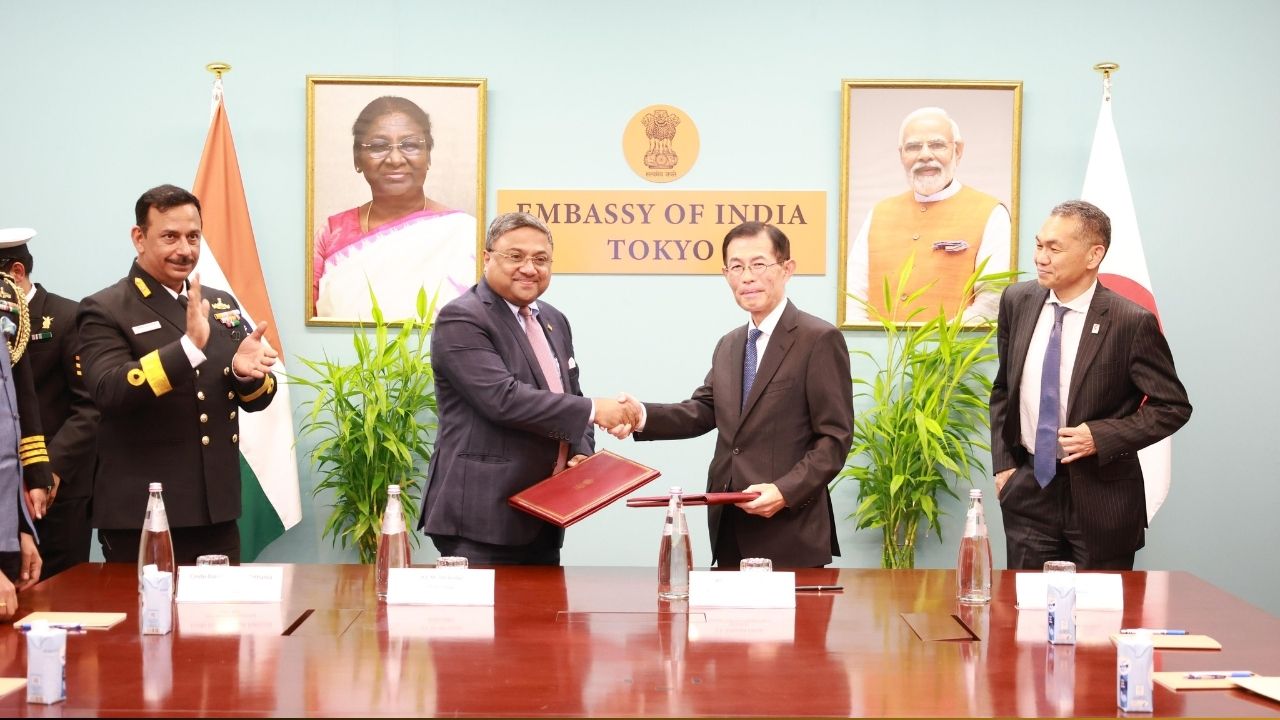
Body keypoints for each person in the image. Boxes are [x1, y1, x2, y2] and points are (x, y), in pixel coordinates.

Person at [620, 222, 853, 568]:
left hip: (789, 529)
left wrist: (785, 491)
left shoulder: (818, 338)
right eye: (736, 267)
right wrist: (640, 415)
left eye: (758, 264)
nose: (747, 277)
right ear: (725, 274)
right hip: (728, 523)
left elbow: (834, 438)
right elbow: (704, 410)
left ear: (787, 268)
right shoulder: (730, 344)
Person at [77, 185, 279, 565]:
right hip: (144, 513)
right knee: (147, 606)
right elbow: (109, 391)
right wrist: (187, 349)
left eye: (193, 237)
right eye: (170, 237)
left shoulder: (219, 303)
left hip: (215, 510)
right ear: (139, 238)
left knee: (220, 606)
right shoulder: (105, 309)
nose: (185, 250)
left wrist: (245, 375)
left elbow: (257, 399)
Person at [420, 212, 637, 565]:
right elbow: (502, 399)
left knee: (543, 605)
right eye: (515, 256)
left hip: (544, 514)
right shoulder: (462, 318)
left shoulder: (553, 319)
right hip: (480, 518)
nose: (529, 268)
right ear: (487, 258)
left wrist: (580, 453)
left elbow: (570, 395)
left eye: (541, 259)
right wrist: (596, 410)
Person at [989, 200, 1191, 570]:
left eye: (1054, 248)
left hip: (1102, 500)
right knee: (1027, 604)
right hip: (1029, 492)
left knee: (1098, 606)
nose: (1040, 258)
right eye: (1039, 245)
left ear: (1093, 255)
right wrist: (1004, 467)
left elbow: (1173, 407)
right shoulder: (1017, 301)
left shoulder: (1131, 322)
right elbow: (1004, 389)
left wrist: (1099, 437)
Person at [312, 95, 477, 321]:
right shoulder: (332, 234)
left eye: (410, 145)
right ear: (357, 158)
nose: (395, 159)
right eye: (379, 146)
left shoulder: (465, 233)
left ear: (428, 156)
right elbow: (306, 321)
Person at [845, 106, 1011, 323]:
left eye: (937, 145)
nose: (925, 155)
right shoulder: (879, 213)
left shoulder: (991, 213)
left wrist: (938, 343)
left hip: (954, 345)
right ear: (901, 154)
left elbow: (991, 301)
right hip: (877, 345)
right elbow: (853, 297)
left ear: (957, 151)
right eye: (913, 147)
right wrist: (866, 338)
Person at [0, 228, 100, 579]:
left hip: (61, 488)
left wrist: (48, 469)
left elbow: (89, 406)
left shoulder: (67, 316)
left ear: (16, 273)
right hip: (7, 490)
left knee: (61, 593)